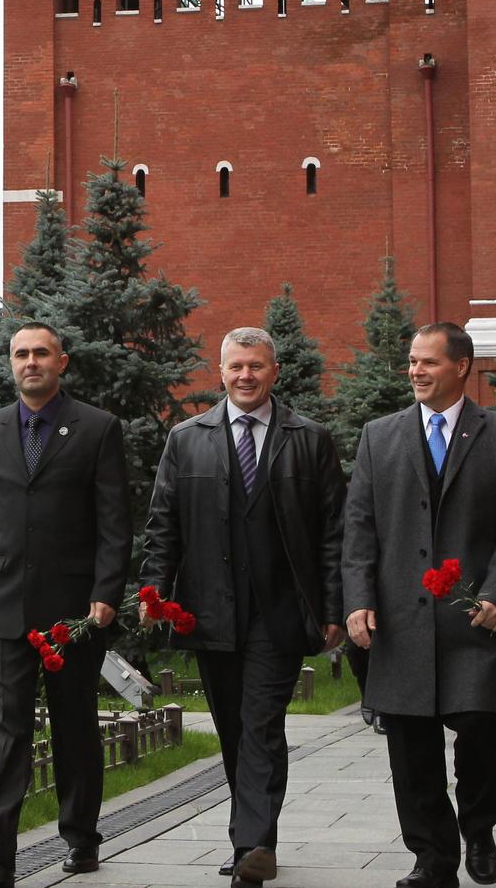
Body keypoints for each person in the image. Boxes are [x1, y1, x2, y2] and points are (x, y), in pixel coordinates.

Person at [139, 327, 345, 886]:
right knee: (233, 727)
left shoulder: (309, 439)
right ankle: (255, 837)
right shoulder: (187, 439)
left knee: (260, 724)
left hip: (279, 611)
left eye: (256, 366)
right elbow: (164, 525)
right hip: (210, 610)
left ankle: (252, 844)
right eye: (235, 368)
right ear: (221, 371)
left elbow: (334, 532)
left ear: (274, 370)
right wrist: (154, 591)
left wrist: (332, 607)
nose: (245, 377)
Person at [344, 322, 496, 888]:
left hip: (475, 620)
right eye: (411, 361)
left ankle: (478, 827)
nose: (415, 371)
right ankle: (432, 859)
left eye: (428, 362)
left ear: (461, 367)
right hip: (401, 623)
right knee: (411, 752)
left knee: (482, 735)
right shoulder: (379, 436)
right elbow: (358, 528)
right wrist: (357, 600)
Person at [0, 322, 131, 888]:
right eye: (21, 354)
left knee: (75, 725)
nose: (31, 363)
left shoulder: (98, 429)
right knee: (9, 727)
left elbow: (114, 523)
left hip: (74, 611)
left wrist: (106, 594)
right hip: (5, 601)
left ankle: (81, 840)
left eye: (41, 354)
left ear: (63, 363)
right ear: (11, 364)